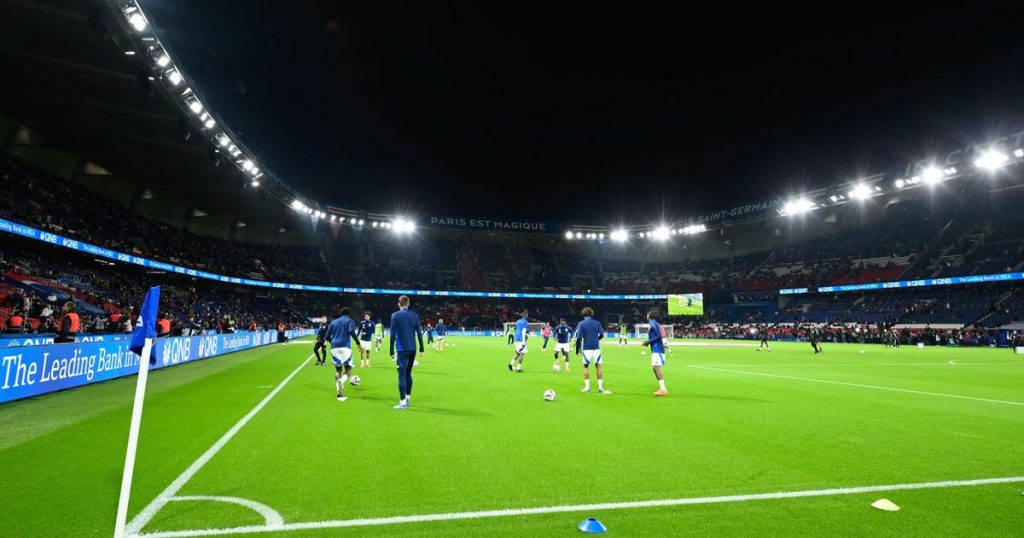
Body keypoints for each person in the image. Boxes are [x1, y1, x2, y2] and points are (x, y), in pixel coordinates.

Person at [389, 295, 424, 410]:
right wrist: (422, 349)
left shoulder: (395, 315)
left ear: (399, 304)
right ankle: (408, 398)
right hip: (413, 348)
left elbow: (393, 334)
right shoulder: (414, 315)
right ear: (408, 303)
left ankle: (403, 402)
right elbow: (419, 333)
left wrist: (391, 351)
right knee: (408, 373)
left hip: (402, 349)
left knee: (401, 375)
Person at [327, 307, 358, 402]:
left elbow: (327, 336)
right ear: (349, 314)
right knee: (348, 368)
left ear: (341, 313)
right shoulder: (350, 321)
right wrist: (358, 342)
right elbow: (351, 331)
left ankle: (339, 392)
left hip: (334, 347)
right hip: (345, 347)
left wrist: (333, 343)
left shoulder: (333, 322)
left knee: (338, 370)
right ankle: (342, 381)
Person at [575, 307, 609, 393]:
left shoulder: (581, 323)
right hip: (596, 348)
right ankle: (600, 388)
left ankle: (587, 388)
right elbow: (601, 334)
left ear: (583, 314)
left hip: (586, 348)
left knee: (586, 367)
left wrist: (577, 349)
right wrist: (596, 339)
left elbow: (578, 338)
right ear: (591, 314)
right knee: (599, 367)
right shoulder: (597, 322)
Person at [641, 311, 668, 396]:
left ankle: (663, 389)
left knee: (656, 367)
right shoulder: (654, 323)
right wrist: (648, 343)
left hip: (658, 348)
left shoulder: (653, 323)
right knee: (654, 368)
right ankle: (662, 388)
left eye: (647, 314)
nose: (646, 315)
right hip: (656, 348)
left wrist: (648, 342)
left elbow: (659, 336)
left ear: (649, 315)